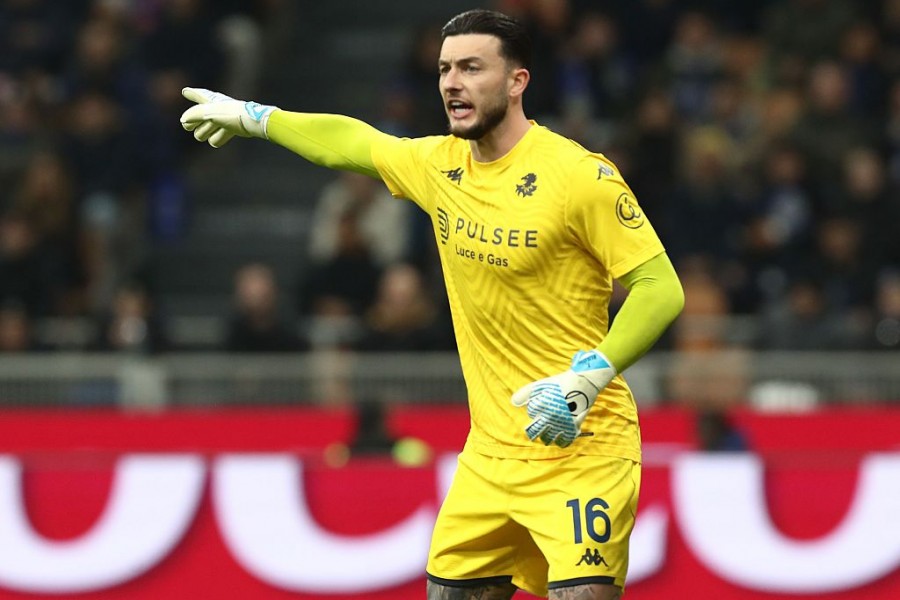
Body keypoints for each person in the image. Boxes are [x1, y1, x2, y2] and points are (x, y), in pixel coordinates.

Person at [180, 9, 684, 599]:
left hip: (582, 447)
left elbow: (660, 289)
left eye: (471, 68)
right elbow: (353, 143)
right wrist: (255, 116)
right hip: (489, 458)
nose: (452, 83)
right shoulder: (440, 165)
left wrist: (587, 379)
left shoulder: (580, 177)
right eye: (445, 69)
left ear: (517, 81)